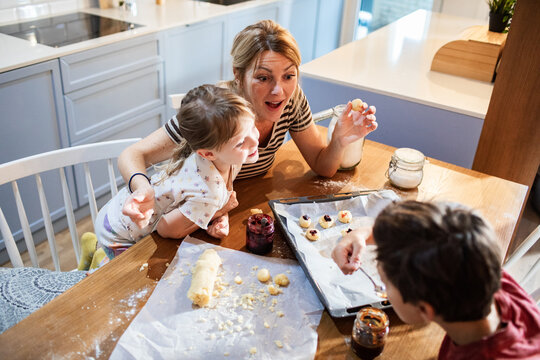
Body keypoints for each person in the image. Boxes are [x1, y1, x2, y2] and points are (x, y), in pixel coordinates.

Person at [118, 19, 378, 227]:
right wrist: (143, 190)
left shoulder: (293, 99)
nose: (279, 91)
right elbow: (133, 154)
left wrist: (340, 140)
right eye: (263, 78)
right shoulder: (216, 113)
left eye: (289, 76)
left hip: (234, 211)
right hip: (184, 215)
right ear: (238, 75)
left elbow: (323, 167)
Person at [332, 200, 540, 360]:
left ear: (424, 310)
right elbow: (436, 232)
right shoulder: (481, 270)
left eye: (385, 286)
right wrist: (362, 234)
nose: (383, 289)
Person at [88, 84, 259, 264]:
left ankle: (93, 249)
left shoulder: (225, 158)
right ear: (207, 154)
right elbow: (166, 229)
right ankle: (96, 259)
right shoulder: (209, 192)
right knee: (119, 279)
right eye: (240, 143)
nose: (254, 141)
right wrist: (219, 211)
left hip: (114, 210)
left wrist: (215, 212)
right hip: (117, 234)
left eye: (253, 127)